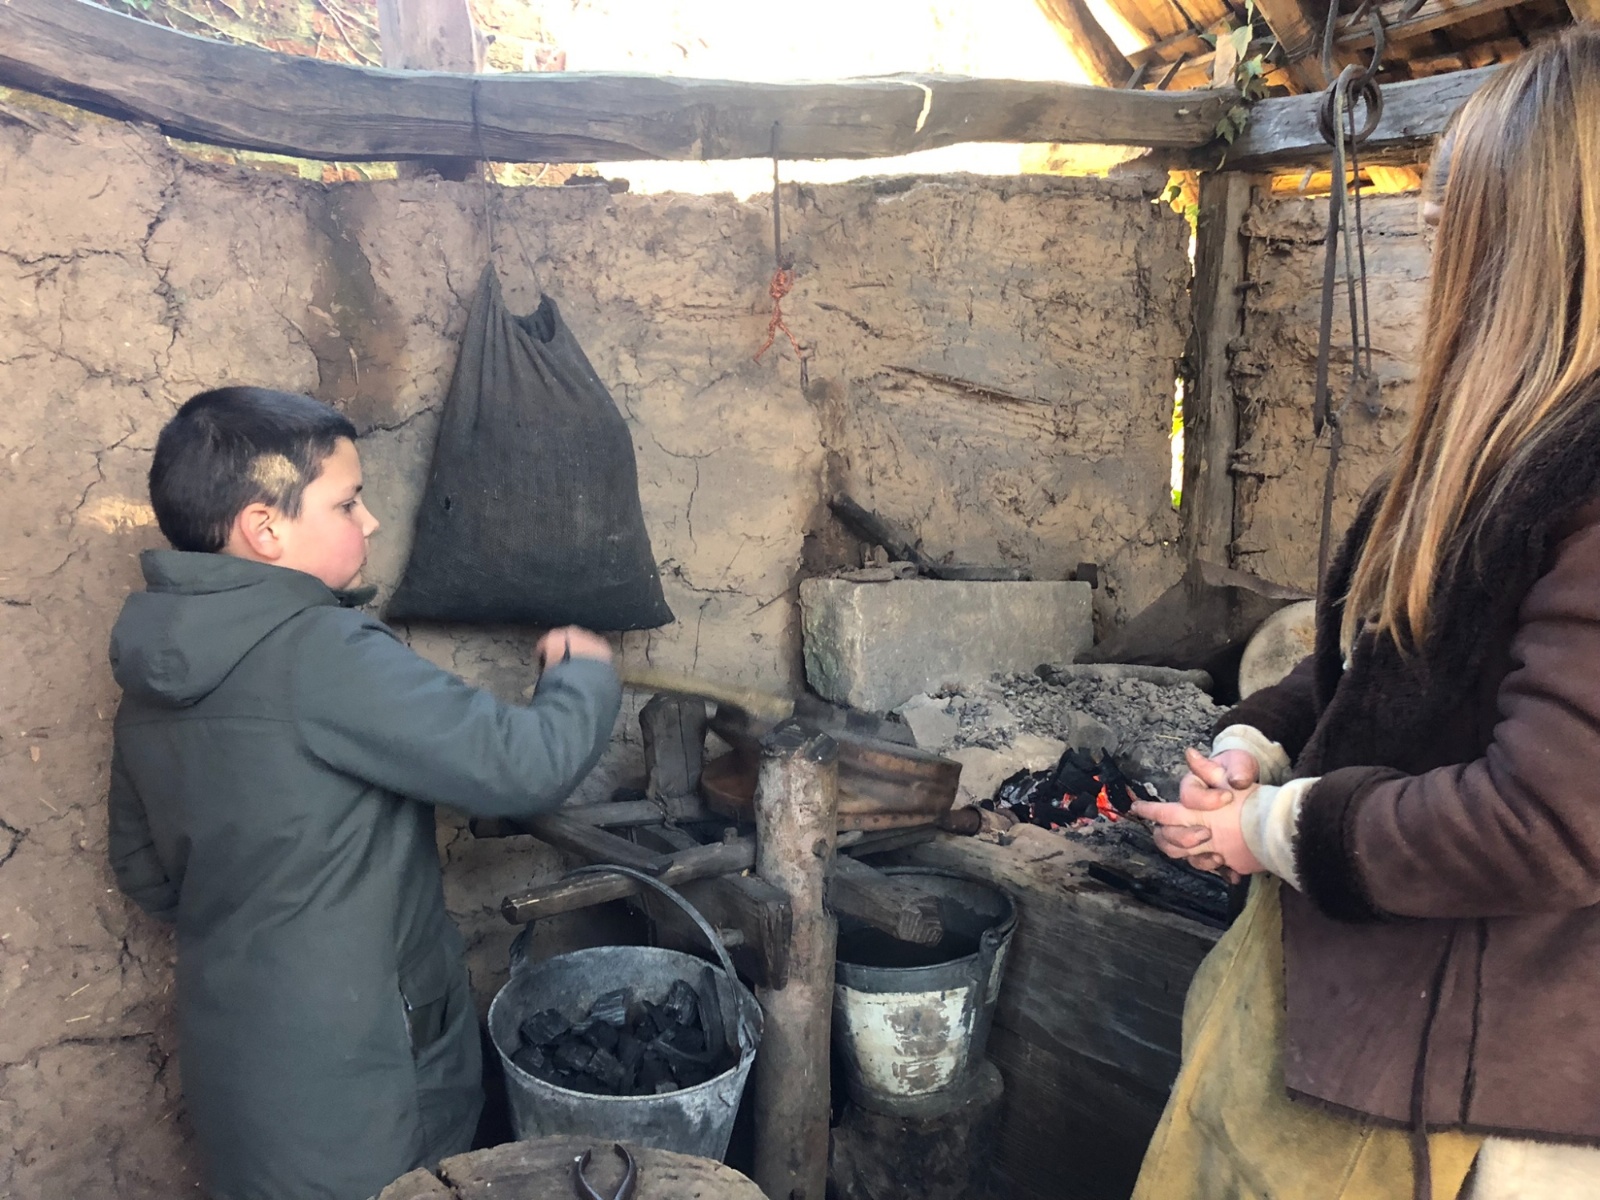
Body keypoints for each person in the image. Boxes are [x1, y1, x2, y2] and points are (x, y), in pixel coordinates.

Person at [1131, 27, 1600, 1200]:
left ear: (1529, 244)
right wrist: (1257, 740)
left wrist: (1272, 832)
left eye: (1452, 228)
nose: (1433, 256)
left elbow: (1545, 821)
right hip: (1371, 1018)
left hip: (1475, 1098)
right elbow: (1394, 665)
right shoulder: (1502, 447)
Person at [107, 386, 622, 1200]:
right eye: (348, 502)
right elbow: (525, 765)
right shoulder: (320, 650)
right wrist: (581, 675)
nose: (371, 520)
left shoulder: (153, 674)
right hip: (364, 1068)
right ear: (265, 528)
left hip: (236, 1057)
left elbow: (144, 872)